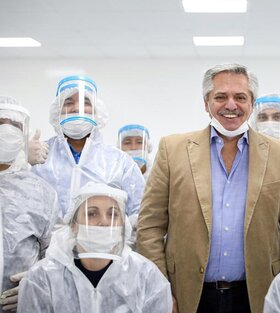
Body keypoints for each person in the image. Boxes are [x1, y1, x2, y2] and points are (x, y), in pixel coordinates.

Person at [137, 63, 280, 313]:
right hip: (187, 296)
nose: (231, 105)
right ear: (206, 103)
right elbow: (149, 227)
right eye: (221, 97)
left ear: (252, 103)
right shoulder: (173, 150)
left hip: (258, 296)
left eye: (240, 97)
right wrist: (161, 290)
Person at [18, 183, 172, 313]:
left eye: (113, 215)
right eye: (92, 214)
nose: (104, 222)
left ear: (123, 225)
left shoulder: (146, 276)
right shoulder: (42, 278)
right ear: (73, 226)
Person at [31, 75, 145, 225]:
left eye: (86, 102)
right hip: (49, 247)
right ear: (57, 112)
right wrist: (19, 160)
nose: (77, 108)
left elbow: (140, 214)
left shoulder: (120, 162)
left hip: (104, 246)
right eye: (68, 102)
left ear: (97, 112)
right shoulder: (39, 156)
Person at [0, 96, 59, 312]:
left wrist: (35, 284)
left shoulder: (42, 193)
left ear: (23, 134)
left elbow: (54, 257)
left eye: (14, 125)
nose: (6, 131)